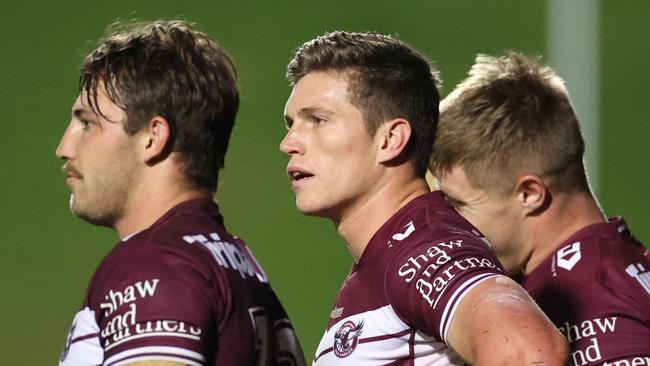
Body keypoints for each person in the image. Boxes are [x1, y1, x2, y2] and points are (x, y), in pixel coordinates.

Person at [280, 31, 567, 365]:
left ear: (391, 140)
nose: (289, 143)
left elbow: (530, 352)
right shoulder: (392, 252)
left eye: (318, 120)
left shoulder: (423, 250)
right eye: (290, 123)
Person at [56, 20, 305, 366]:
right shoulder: (241, 268)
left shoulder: (154, 264)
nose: (64, 147)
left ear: (152, 137)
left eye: (87, 123)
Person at [430, 52, 650, 365]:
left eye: (459, 204)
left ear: (530, 194)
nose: (448, 224)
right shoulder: (610, 261)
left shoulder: (591, 305)